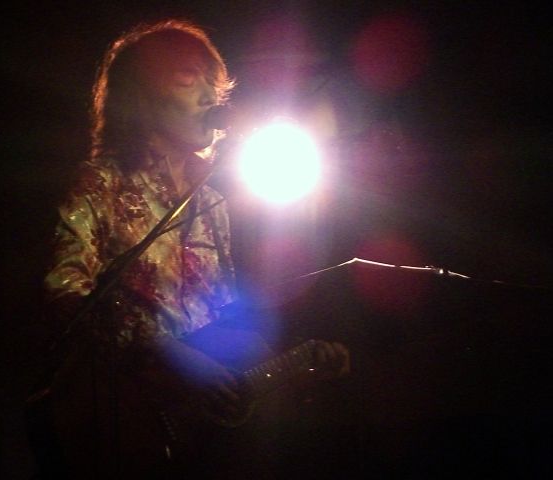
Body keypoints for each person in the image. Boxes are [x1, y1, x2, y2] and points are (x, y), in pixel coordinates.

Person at [34, 19, 350, 479]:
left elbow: (220, 315)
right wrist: (163, 355)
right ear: (142, 96)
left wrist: (285, 365)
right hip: (115, 419)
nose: (210, 97)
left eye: (212, 83)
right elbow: (63, 289)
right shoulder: (101, 184)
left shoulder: (213, 202)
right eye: (188, 79)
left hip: (190, 435)